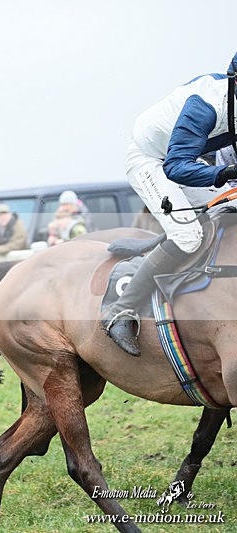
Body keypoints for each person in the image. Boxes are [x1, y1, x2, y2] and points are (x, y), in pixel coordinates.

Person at [101, 51, 237, 357]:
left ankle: (162, 248)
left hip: (183, 158)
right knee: (188, 237)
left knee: (225, 211)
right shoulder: (205, 106)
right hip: (152, 161)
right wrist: (225, 173)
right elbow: (176, 167)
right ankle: (121, 311)